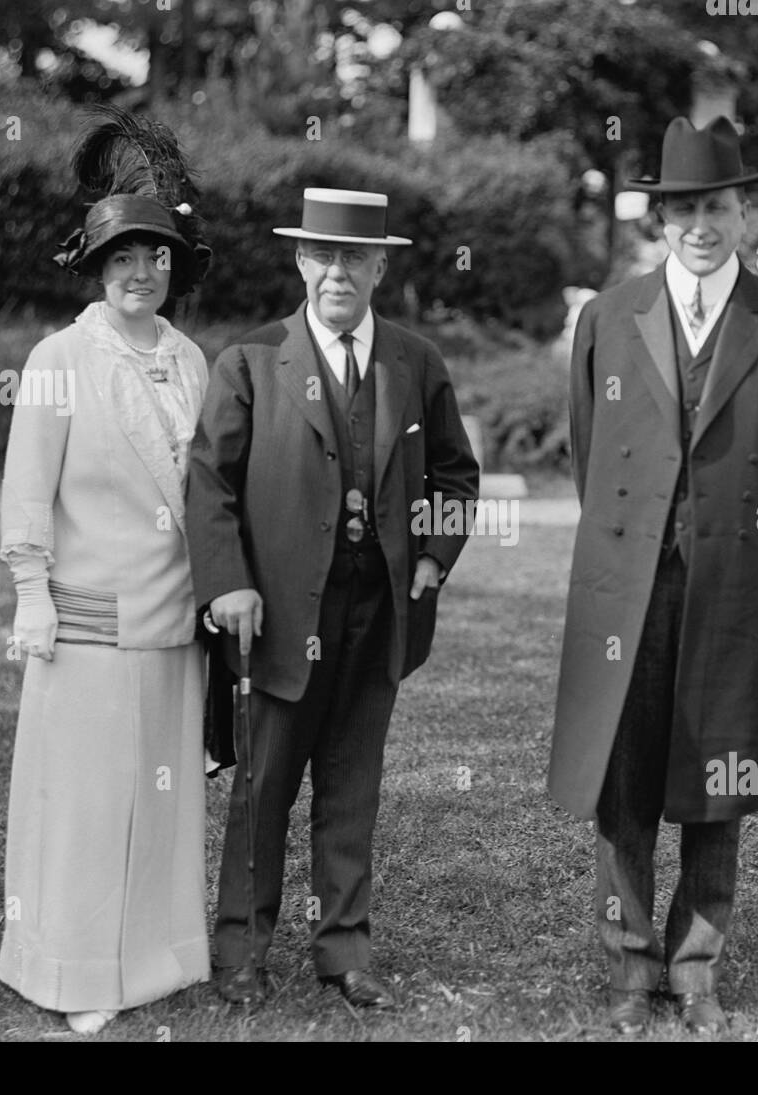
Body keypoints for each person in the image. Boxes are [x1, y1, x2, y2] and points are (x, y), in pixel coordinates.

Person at [548, 117, 758, 1037]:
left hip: (736, 587)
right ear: (659, 219)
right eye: (681, 209)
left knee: (723, 774)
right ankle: (632, 969)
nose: (699, 224)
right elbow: (591, 456)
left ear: (745, 212)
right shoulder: (609, 316)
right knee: (623, 778)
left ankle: (696, 967)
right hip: (630, 585)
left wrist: (743, 558)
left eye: (716, 205)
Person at [185, 188, 479, 1011]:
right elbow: (208, 482)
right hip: (278, 614)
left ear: (381, 266)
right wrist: (228, 583)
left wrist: (433, 554)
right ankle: (241, 950)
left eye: (355, 257)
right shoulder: (250, 358)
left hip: (378, 611)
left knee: (353, 788)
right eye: (323, 255)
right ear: (300, 262)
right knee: (265, 788)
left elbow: (456, 474)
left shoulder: (414, 362)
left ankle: (344, 951)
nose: (337, 272)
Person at [0, 105, 213, 1035]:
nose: (139, 273)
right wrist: (30, 594)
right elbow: (25, 491)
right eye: (121, 258)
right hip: (83, 621)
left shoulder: (193, 361)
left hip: (174, 624)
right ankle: (76, 973)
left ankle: (157, 961)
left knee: (162, 799)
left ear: (173, 267)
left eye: (154, 257)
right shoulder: (56, 359)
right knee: (85, 807)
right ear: (94, 268)